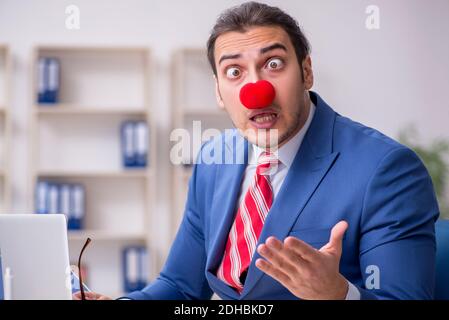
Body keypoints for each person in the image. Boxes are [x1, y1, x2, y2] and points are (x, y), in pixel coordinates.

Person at [74, 1, 439, 300]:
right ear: (218, 92)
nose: (256, 89)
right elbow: (180, 287)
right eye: (234, 72)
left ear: (307, 71)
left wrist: (339, 295)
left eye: (274, 64)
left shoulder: (386, 169)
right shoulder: (214, 160)